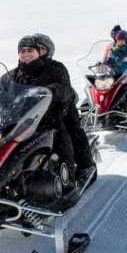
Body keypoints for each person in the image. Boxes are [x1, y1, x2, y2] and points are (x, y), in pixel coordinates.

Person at [6, 35, 77, 183]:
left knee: (62, 134)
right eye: (22, 50)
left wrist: (51, 91)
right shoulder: (11, 75)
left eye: (30, 50)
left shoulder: (55, 69)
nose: (26, 54)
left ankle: (69, 176)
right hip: (18, 121)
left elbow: (63, 88)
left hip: (49, 118)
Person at [32, 33, 96, 185]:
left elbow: (63, 88)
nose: (37, 52)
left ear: (48, 51)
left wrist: (56, 94)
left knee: (69, 131)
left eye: (41, 49)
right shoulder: (23, 70)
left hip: (60, 108)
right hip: (33, 114)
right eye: (35, 49)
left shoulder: (57, 68)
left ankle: (82, 169)